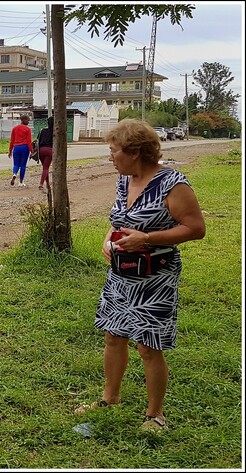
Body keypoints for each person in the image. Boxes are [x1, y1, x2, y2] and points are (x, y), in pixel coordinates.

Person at [80, 119, 205, 431]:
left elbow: (195, 229)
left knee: (148, 346)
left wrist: (147, 239)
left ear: (134, 152)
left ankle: (155, 415)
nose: (110, 156)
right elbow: (120, 217)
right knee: (113, 335)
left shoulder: (172, 185)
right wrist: (109, 237)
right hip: (121, 275)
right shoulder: (125, 179)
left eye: (114, 151)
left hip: (155, 277)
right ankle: (110, 398)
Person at [7, 113, 33, 189]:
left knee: (16, 164)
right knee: (23, 165)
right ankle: (21, 182)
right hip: (25, 148)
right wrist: (31, 151)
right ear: (24, 120)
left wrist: (10, 151)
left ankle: (14, 174)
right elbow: (29, 141)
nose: (28, 122)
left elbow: (12, 141)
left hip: (16, 148)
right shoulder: (27, 129)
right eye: (28, 120)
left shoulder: (14, 129)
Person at [36, 116, 54, 190]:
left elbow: (37, 140)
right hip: (49, 150)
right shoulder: (55, 131)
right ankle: (41, 184)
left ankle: (47, 184)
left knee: (44, 168)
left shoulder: (42, 130)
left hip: (40, 151)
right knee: (46, 168)